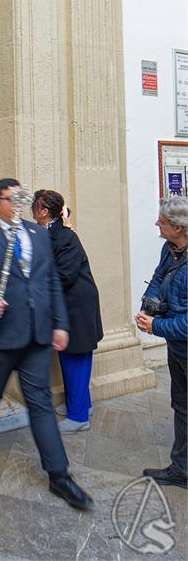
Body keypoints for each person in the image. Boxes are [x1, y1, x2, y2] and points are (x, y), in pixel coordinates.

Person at [0, 178, 94, 511]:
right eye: (10, 198)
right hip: (0, 336)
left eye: (21, 198)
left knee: (40, 402)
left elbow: (51, 281)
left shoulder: (38, 235)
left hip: (37, 335)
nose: (17, 203)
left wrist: (60, 323)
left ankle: (59, 475)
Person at [32, 190, 103, 432]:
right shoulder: (50, 231)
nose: (31, 209)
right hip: (67, 305)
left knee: (76, 358)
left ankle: (78, 417)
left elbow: (65, 275)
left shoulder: (65, 236)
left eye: (35, 205)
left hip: (77, 305)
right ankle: (82, 404)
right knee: (71, 356)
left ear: (44, 211)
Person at [136, 196, 187, 489]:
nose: (157, 223)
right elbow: (157, 278)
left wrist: (156, 326)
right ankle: (182, 469)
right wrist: (149, 306)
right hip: (177, 347)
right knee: (182, 406)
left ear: (178, 227)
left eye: (163, 222)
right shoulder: (169, 249)